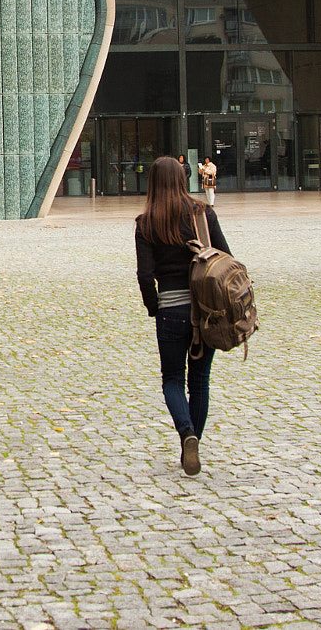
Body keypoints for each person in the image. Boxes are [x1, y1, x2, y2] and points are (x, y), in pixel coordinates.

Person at [135, 155, 232, 477]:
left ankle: (186, 432)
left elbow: (145, 275)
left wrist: (155, 308)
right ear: (182, 179)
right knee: (200, 380)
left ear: (152, 183)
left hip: (171, 312)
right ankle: (193, 444)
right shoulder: (203, 214)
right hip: (207, 310)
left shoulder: (146, 222)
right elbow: (226, 259)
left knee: (172, 380)